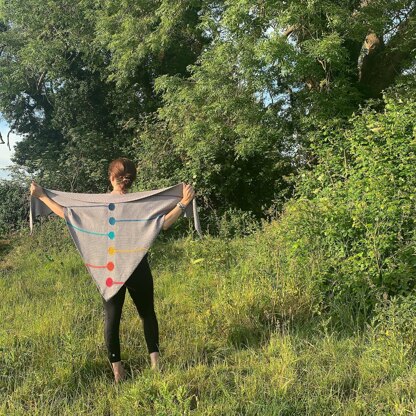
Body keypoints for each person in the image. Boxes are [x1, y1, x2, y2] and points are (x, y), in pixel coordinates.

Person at [29, 157, 195, 382]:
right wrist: (183, 202)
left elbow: (66, 213)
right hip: (138, 266)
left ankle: (118, 372)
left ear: (110, 177)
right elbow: (164, 224)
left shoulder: (98, 204)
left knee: (112, 318)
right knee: (147, 314)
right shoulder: (141, 203)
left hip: (109, 271)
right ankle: (156, 366)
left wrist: (41, 195)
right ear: (132, 180)